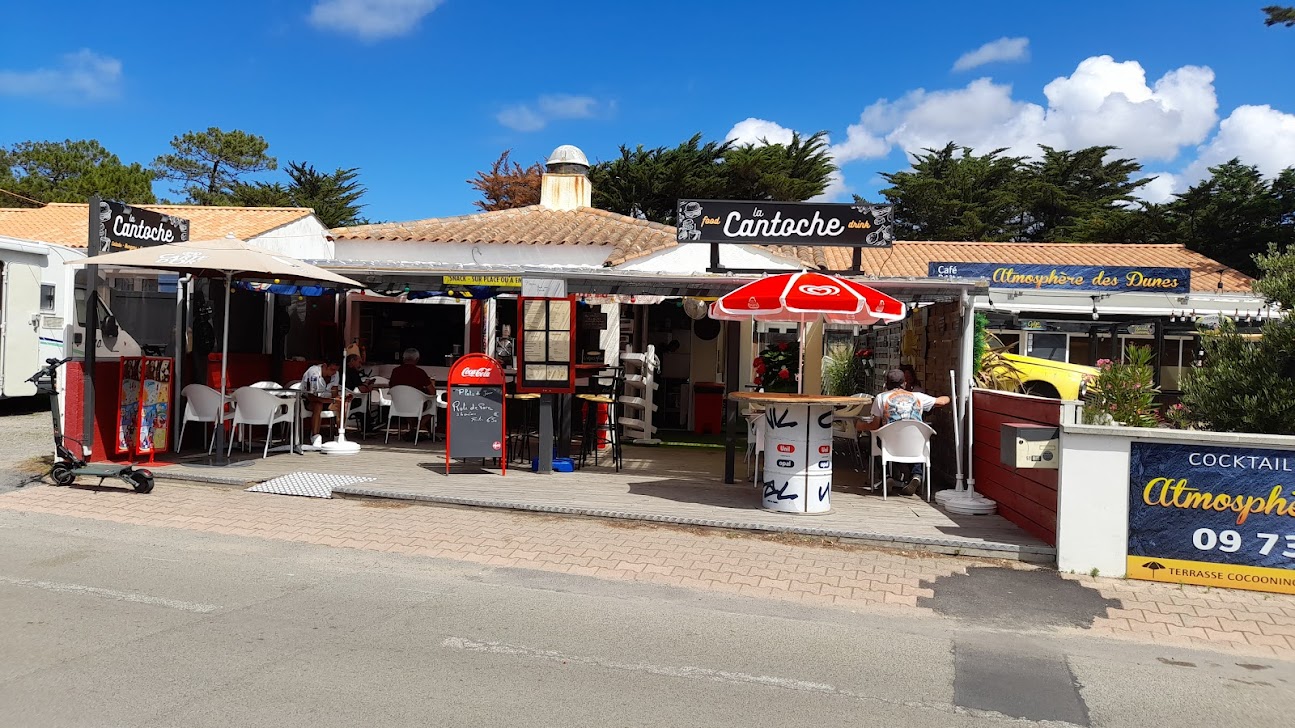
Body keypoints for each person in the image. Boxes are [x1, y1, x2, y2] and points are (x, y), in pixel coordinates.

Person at [863, 368, 950, 496]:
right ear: (904, 383)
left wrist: (860, 425)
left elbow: (874, 425)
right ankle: (917, 474)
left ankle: (887, 476)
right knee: (917, 440)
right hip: (914, 447)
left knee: (876, 439)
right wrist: (950, 396)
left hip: (891, 447)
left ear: (886, 384)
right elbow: (942, 401)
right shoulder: (917, 396)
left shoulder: (880, 398)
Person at [302, 358, 342, 446]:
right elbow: (311, 396)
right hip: (308, 401)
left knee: (342, 404)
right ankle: (315, 436)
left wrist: (340, 399)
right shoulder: (313, 372)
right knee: (318, 405)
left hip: (326, 400)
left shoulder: (336, 374)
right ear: (324, 366)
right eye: (332, 369)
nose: (334, 372)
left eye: (336, 370)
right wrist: (330, 400)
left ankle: (339, 435)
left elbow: (334, 393)